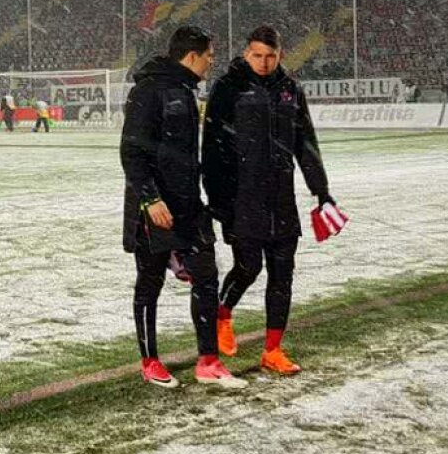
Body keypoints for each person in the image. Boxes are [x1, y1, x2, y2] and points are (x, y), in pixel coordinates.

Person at [203, 26, 344, 377]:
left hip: (281, 199)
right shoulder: (228, 88)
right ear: (246, 54)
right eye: (257, 56)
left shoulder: (290, 91)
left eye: (271, 56)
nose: (264, 63)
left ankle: (273, 350)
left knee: (283, 277)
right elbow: (212, 150)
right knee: (248, 267)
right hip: (242, 198)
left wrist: (321, 191)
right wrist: (219, 201)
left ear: (281, 55)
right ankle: (223, 314)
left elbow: (305, 143)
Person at [120, 25, 244, 389]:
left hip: (189, 206)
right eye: (209, 56)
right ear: (192, 56)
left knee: (207, 277)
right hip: (155, 208)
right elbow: (132, 151)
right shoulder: (149, 90)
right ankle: (150, 361)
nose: (211, 62)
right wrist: (149, 199)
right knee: (150, 284)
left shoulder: (186, 91)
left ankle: (208, 361)